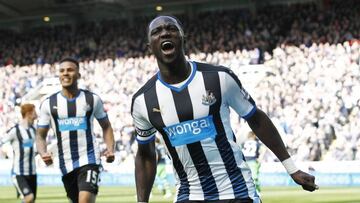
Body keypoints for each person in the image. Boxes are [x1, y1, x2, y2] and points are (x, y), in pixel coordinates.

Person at [131, 15, 318, 203]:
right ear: (150, 46)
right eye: (157, 32)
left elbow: (256, 119)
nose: (164, 33)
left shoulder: (219, 78)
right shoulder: (143, 101)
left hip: (238, 191)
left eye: (171, 28)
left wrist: (291, 168)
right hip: (189, 195)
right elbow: (145, 155)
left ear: (182, 37)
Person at [36, 57, 115, 203]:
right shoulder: (48, 104)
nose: (65, 73)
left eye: (70, 70)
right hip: (65, 163)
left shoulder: (92, 99)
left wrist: (110, 149)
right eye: (62, 71)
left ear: (78, 74)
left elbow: (106, 126)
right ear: (59, 75)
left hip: (90, 159)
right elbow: (40, 135)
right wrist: (42, 152)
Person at [0, 103, 38, 203]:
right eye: (35, 112)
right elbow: (2, 141)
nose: (36, 115)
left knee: (31, 199)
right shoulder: (15, 130)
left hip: (32, 172)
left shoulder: (33, 130)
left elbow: (34, 149)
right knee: (29, 197)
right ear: (29, 114)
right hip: (19, 173)